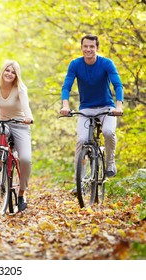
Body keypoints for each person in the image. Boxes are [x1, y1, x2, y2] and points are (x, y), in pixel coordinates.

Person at [60, 34, 124, 194]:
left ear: (97, 48)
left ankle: (110, 162)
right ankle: (79, 183)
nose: (88, 49)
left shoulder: (106, 63)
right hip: (86, 108)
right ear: (82, 48)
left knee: (109, 132)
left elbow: (118, 85)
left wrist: (119, 106)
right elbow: (66, 86)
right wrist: (65, 105)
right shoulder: (75, 64)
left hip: (106, 107)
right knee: (81, 140)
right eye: (85, 46)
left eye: (92, 47)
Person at [0, 60, 34, 212]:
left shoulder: (20, 89)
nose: (9, 74)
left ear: (16, 75)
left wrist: (29, 117)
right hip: (4, 123)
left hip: (21, 125)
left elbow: (26, 107)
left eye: (13, 72)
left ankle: (22, 193)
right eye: (7, 70)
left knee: (25, 159)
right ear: (2, 71)